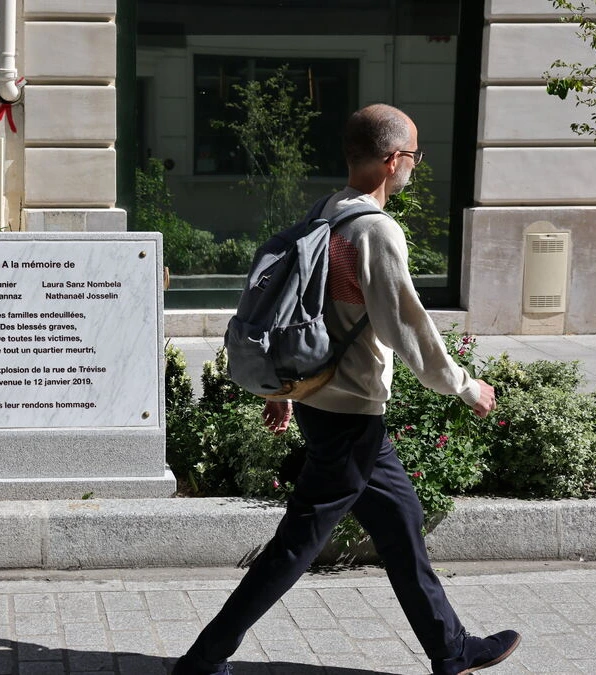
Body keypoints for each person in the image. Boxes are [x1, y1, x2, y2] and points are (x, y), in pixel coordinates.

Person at [172, 104, 521, 675]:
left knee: (402, 525)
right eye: (413, 156)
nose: (413, 165)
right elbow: (405, 326)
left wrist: (281, 389)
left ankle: (451, 648)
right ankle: (203, 658)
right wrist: (464, 386)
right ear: (392, 161)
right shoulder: (375, 230)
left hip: (326, 403)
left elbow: (296, 311)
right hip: (350, 412)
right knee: (295, 547)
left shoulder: (326, 213)